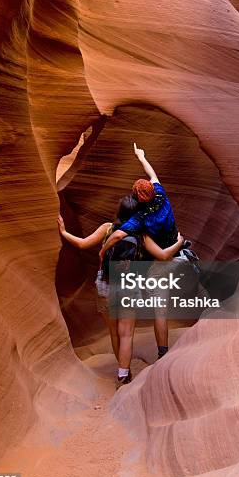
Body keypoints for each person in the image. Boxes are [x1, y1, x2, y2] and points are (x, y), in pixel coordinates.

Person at [58, 196, 183, 389]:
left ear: (119, 211)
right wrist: (179, 242)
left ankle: (122, 368)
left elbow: (82, 244)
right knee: (126, 334)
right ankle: (123, 375)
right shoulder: (141, 234)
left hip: (105, 284)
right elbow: (163, 255)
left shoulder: (107, 228)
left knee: (114, 333)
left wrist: (64, 232)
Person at [99, 143, 179, 359]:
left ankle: (160, 354)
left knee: (156, 309)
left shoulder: (140, 218)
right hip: (176, 253)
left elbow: (117, 235)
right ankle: (163, 352)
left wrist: (103, 251)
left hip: (156, 261)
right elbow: (152, 174)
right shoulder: (161, 195)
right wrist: (141, 156)